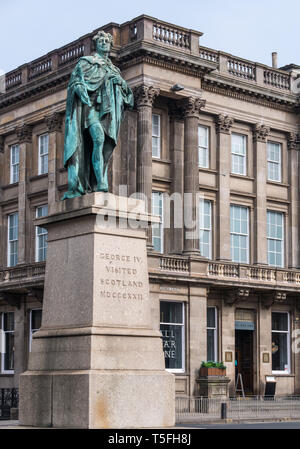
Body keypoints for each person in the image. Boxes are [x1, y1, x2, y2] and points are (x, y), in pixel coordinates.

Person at [62, 30, 134, 199]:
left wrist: (120, 83)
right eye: (100, 41)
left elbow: (128, 97)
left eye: (106, 42)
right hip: (90, 108)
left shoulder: (114, 69)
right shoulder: (86, 63)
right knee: (99, 139)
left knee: (105, 148)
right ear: (96, 45)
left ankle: (97, 181)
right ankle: (101, 182)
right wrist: (80, 89)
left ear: (110, 46)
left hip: (107, 113)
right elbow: (75, 83)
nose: (103, 43)